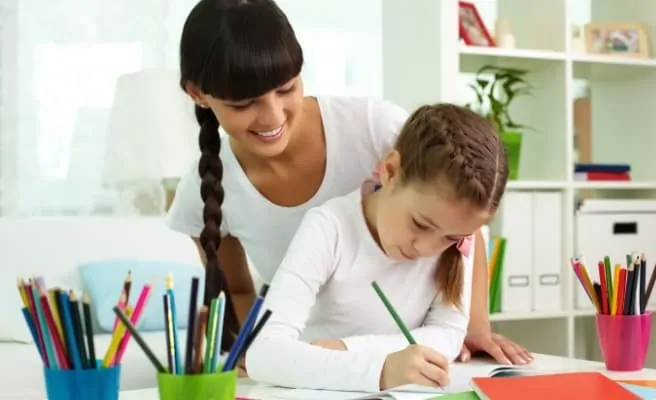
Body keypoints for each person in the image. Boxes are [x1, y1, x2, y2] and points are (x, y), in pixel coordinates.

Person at [169, 0, 532, 365]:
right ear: (198, 94)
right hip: (323, 361)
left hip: (421, 353)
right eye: (244, 103)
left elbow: (461, 218)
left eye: (285, 89)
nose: (272, 116)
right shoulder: (204, 191)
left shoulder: (373, 128)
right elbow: (238, 289)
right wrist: (257, 353)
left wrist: (474, 326)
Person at [246, 103, 508, 391]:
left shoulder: (455, 236)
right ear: (391, 171)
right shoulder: (329, 227)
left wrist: (347, 349)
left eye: (450, 238)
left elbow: (448, 335)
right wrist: (381, 371)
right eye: (420, 224)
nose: (427, 248)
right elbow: (263, 353)